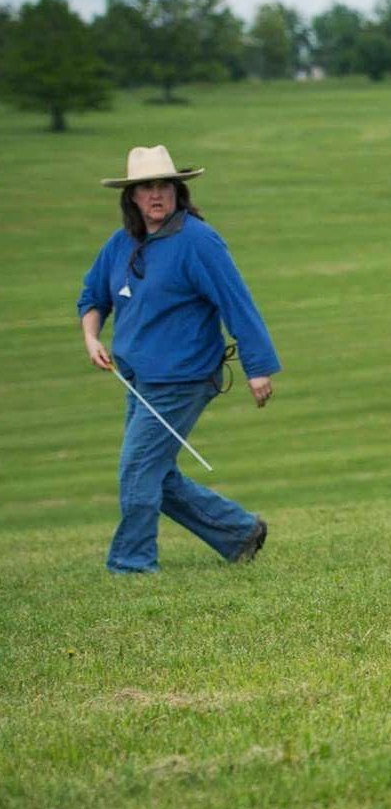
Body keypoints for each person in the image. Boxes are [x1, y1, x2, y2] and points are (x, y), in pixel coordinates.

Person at [77, 145, 280, 573]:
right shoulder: (121, 243)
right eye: (146, 188)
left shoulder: (198, 242)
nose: (156, 195)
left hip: (184, 379)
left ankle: (131, 565)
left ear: (178, 192)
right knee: (154, 474)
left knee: (137, 470)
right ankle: (238, 532)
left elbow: (237, 303)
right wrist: (92, 338)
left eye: (164, 186)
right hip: (137, 379)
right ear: (131, 196)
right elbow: (93, 297)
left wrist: (257, 368)